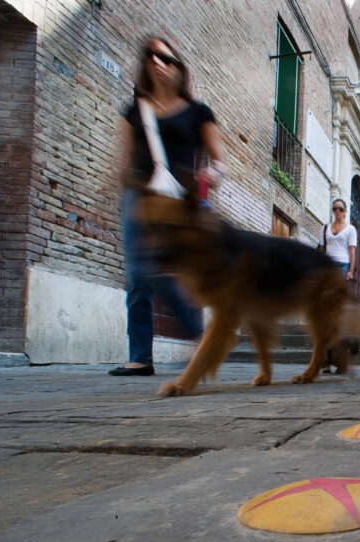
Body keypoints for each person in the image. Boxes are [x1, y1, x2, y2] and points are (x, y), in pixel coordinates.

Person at [109, 36, 226, 376]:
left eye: (166, 58)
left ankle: (200, 335)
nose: (158, 62)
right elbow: (124, 160)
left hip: (180, 200)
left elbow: (219, 161)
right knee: (138, 275)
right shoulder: (134, 111)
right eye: (151, 57)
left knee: (179, 271)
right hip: (140, 199)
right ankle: (141, 356)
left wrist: (211, 175)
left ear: (179, 67)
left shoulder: (198, 112)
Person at [320, 198, 357, 282]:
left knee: (337, 291)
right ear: (332, 211)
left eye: (340, 209)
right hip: (328, 263)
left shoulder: (351, 229)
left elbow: (352, 251)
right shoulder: (325, 228)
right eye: (335, 209)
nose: (338, 211)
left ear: (345, 211)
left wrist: (351, 271)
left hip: (343, 264)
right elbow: (322, 249)